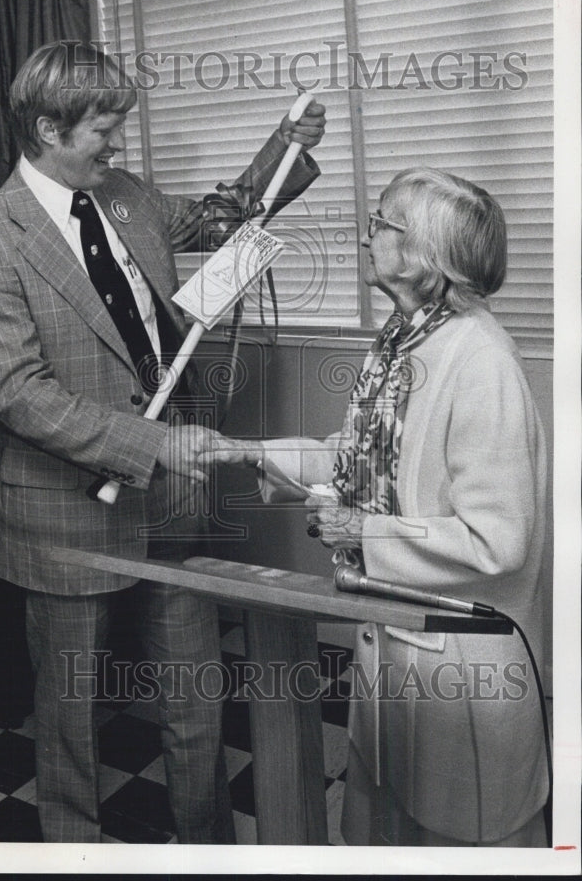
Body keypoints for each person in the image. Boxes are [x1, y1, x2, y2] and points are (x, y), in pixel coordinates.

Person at [0, 40, 326, 843]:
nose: (115, 143)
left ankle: (208, 847)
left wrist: (288, 145)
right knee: (71, 717)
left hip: (168, 499)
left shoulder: (123, 196)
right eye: (101, 127)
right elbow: (20, 396)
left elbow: (228, 213)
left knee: (195, 694)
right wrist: (155, 444)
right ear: (47, 127)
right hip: (64, 517)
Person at [207, 167, 549, 847]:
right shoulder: (405, 340)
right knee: (388, 826)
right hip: (394, 646)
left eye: (382, 224)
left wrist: (364, 529)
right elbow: (356, 458)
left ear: (425, 255)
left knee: (461, 838)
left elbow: (499, 541)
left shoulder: (481, 362)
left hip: (458, 661)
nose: (366, 236)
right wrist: (241, 452)